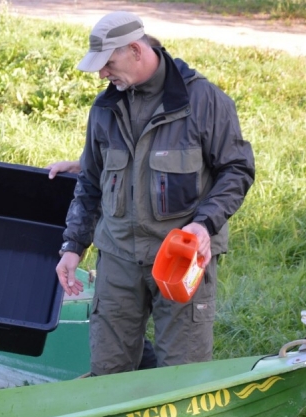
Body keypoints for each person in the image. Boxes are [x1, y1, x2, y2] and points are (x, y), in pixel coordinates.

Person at [49, 11, 255, 375]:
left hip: (181, 258)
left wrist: (205, 225)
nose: (102, 75)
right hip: (118, 260)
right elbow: (91, 184)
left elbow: (237, 169)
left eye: (109, 63)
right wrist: (72, 247)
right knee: (108, 371)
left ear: (136, 51)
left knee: (182, 374)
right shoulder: (104, 109)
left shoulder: (204, 101)